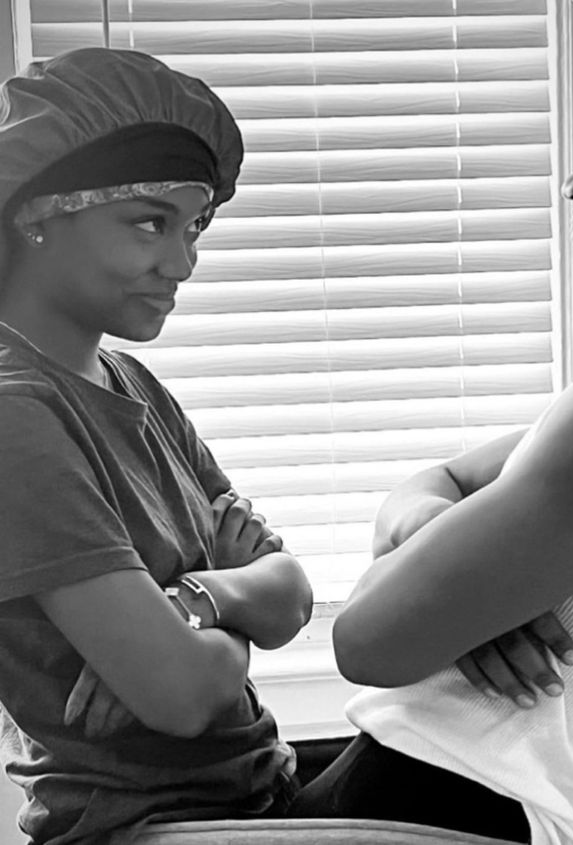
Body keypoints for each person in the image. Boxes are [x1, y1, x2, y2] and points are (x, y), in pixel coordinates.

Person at [288, 1, 573, 843]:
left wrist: (438, 576)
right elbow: (443, 481)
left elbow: (368, 637)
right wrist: (435, 530)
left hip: (433, 811)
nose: (570, 183)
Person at [0, 48, 315, 845]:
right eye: (149, 223)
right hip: (149, 828)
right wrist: (230, 590)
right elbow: (178, 694)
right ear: (38, 215)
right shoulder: (16, 416)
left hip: (259, 793)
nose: (182, 263)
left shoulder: (132, 381)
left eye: (195, 226)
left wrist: (194, 600)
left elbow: (292, 592)